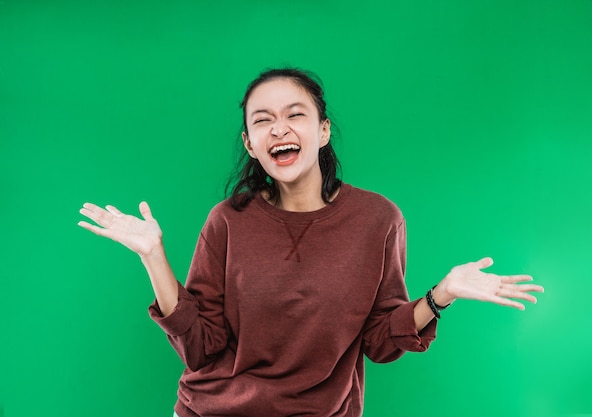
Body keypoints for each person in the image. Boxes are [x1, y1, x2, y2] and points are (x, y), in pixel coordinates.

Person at [78, 68, 544, 417]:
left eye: (294, 115)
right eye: (262, 121)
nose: (278, 128)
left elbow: (381, 342)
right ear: (250, 143)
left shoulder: (378, 219)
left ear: (322, 131)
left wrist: (441, 294)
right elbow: (200, 349)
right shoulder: (228, 221)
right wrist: (153, 257)